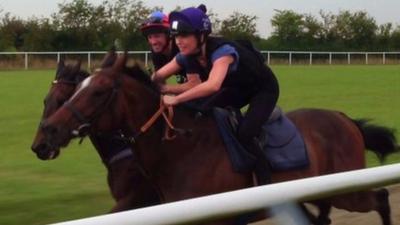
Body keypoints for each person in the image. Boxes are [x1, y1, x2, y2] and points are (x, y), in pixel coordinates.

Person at [152, 5, 280, 185]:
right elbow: (157, 77)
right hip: (236, 89)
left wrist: (176, 98)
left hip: (263, 89)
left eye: (184, 35)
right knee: (198, 113)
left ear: (201, 35)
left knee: (245, 133)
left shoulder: (222, 51)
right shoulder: (186, 54)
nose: (179, 41)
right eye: (176, 36)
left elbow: (212, 85)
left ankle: (265, 182)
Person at [140, 11, 188, 86]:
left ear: (169, 35)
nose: (153, 42)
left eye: (157, 36)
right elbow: (159, 81)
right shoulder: (156, 53)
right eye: (150, 37)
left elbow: (195, 84)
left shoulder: (182, 47)